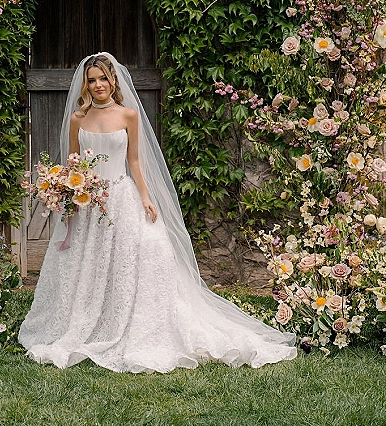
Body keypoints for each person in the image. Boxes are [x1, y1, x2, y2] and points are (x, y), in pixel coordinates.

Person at [19, 53, 297, 373]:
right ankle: (83, 318)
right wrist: (64, 191)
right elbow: (72, 161)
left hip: (120, 196)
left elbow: (135, 162)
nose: (98, 86)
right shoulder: (77, 119)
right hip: (86, 201)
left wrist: (146, 197)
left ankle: (130, 319)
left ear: (113, 81)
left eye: (103, 79)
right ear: (85, 84)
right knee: (86, 264)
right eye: (91, 80)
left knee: (133, 257)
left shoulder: (128, 115)